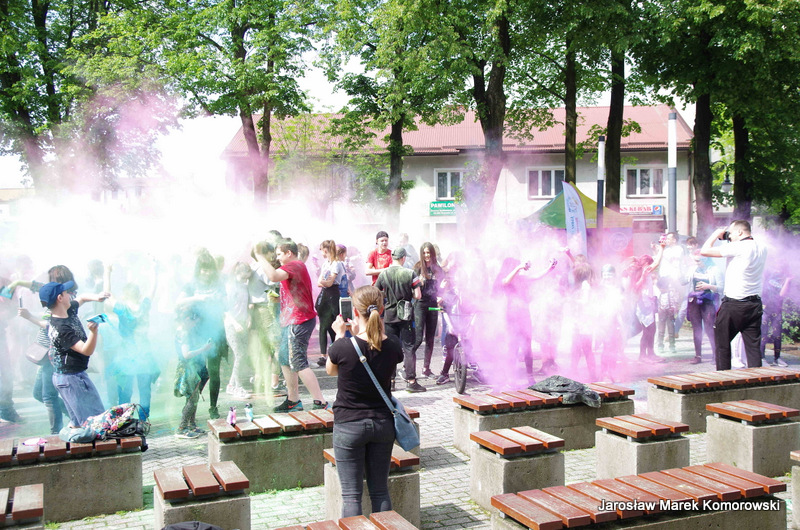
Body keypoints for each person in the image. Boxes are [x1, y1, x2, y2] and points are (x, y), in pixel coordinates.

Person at [326, 285, 404, 518]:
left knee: (351, 496)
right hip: (382, 424)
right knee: (380, 491)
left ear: (354, 311)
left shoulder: (342, 347)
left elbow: (331, 370)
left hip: (349, 425)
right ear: (381, 310)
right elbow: (379, 344)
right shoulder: (393, 346)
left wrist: (340, 334)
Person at [254, 239, 328, 411]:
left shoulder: (295, 265)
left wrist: (259, 255)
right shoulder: (294, 267)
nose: (277, 257)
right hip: (291, 320)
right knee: (284, 358)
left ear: (289, 253)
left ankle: (321, 402)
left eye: (279, 254)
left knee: (298, 361)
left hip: (299, 321)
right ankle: (293, 400)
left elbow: (273, 276)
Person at [700, 220, 768, 370]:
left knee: (722, 344)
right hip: (754, 304)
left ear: (740, 232)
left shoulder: (739, 247)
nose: (729, 236)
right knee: (753, 347)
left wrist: (716, 234)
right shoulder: (762, 247)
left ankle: (723, 378)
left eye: (731, 233)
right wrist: (729, 238)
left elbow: (704, 251)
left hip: (734, 304)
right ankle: (757, 378)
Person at [41, 281, 107, 428]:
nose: (70, 295)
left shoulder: (67, 310)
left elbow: (82, 298)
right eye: (66, 293)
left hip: (72, 375)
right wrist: (93, 332)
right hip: (70, 379)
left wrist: (97, 297)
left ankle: (75, 433)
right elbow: (86, 350)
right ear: (60, 298)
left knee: (82, 422)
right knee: (94, 423)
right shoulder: (61, 328)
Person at [103, 261, 160, 419]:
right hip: (144, 355)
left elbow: (107, 294)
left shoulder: (122, 308)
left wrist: (107, 271)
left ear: (125, 295)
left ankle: (124, 419)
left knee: (125, 391)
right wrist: (154, 270)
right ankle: (143, 420)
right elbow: (153, 288)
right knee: (145, 391)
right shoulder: (144, 306)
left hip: (126, 355)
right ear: (138, 295)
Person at [177, 250, 227, 419]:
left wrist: (219, 301)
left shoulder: (219, 284)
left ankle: (213, 407)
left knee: (214, 372)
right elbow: (178, 302)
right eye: (203, 269)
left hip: (215, 331)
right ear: (198, 269)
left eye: (209, 269)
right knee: (197, 373)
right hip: (196, 333)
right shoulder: (191, 285)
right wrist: (198, 299)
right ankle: (190, 410)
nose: (206, 272)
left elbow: (225, 304)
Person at [375, 248, 422, 392]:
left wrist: (387, 297)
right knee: (408, 348)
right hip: (405, 315)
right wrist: (408, 295)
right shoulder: (410, 273)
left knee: (390, 348)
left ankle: (391, 381)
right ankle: (411, 381)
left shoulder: (383, 274)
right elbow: (418, 295)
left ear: (393, 258)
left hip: (389, 316)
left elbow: (376, 292)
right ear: (403, 258)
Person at [174, 306, 211, 438]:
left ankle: (192, 425)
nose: (195, 324)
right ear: (186, 319)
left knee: (193, 398)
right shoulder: (184, 333)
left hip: (192, 369)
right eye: (193, 321)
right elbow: (186, 354)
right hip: (188, 370)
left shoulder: (184, 331)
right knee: (192, 399)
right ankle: (181, 428)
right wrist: (203, 348)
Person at [411, 243, 444, 378]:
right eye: (424, 253)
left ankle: (426, 368)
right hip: (420, 304)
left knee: (430, 338)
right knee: (418, 338)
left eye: (428, 252)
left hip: (433, 305)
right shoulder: (417, 268)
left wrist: (442, 296)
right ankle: (408, 368)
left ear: (432, 253)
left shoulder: (438, 269)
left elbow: (442, 287)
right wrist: (419, 284)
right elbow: (411, 289)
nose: (427, 255)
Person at [685, 252, 720, 365]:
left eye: (698, 260)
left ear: (705, 260)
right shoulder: (692, 269)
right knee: (697, 329)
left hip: (708, 301)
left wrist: (708, 286)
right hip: (694, 301)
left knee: (710, 328)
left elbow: (721, 287)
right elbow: (683, 281)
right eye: (695, 260)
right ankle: (698, 355)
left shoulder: (714, 269)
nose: (696, 263)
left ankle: (715, 355)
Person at [224, 262, 253, 400]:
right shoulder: (230, 287)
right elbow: (225, 309)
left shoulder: (244, 286)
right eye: (244, 275)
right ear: (238, 273)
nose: (246, 278)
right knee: (239, 354)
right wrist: (234, 323)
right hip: (231, 324)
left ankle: (231, 385)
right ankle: (238, 387)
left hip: (243, 323)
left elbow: (247, 305)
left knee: (242, 354)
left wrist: (249, 317)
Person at [316, 240, 346, 368]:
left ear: (325, 250)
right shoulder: (325, 264)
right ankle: (323, 355)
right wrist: (324, 281)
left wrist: (324, 281)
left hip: (333, 294)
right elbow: (320, 282)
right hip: (324, 295)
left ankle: (335, 354)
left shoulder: (337, 264)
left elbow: (329, 282)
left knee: (334, 325)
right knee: (323, 326)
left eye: (322, 250)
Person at [760, 263, 791, 367]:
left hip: (777, 309)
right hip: (765, 307)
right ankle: (762, 357)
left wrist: (788, 280)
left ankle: (777, 358)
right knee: (763, 333)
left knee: (777, 334)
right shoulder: (768, 271)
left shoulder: (786, 278)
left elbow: (782, 294)